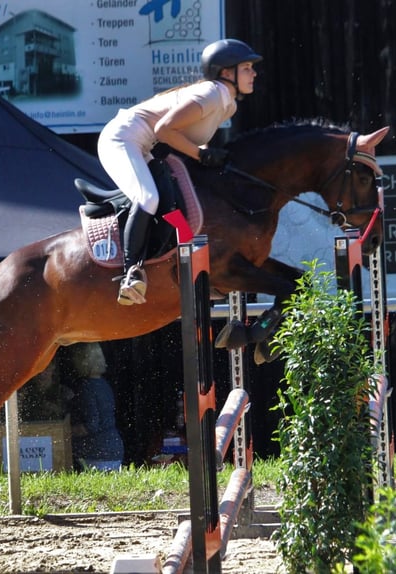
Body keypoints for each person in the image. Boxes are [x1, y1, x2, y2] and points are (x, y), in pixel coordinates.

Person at [97, 38, 263, 305]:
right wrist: (201, 154)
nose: (253, 73)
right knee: (147, 198)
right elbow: (164, 129)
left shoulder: (227, 103)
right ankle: (131, 274)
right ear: (226, 72)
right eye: (246, 67)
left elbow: (190, 136)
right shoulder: (210, 94)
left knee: (180, 200)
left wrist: (208, 155)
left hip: (144, 145)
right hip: (122, 139)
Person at [65, 343, 124, 471]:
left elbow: (91, 425)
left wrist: (65, 431)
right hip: (113, 448)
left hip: (96, 453)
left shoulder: (85, 387)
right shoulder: (104, 384)